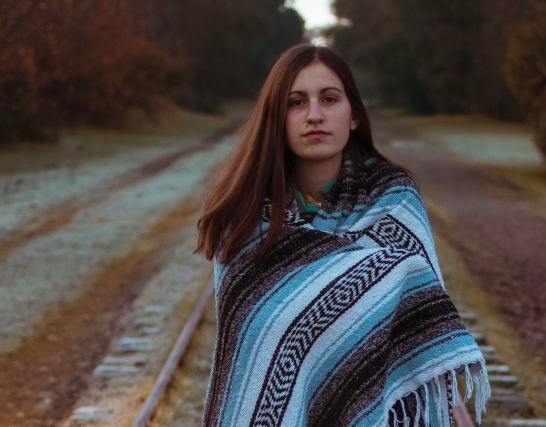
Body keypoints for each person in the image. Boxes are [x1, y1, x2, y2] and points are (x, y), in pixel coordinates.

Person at [195, 44, 488, 426]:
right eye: (296, 102)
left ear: (353, 116)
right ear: (276, 119)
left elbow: (416, 307)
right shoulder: (246, 219)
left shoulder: (396, 200)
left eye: (329, 99)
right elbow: (255, 348)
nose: (314, 115)